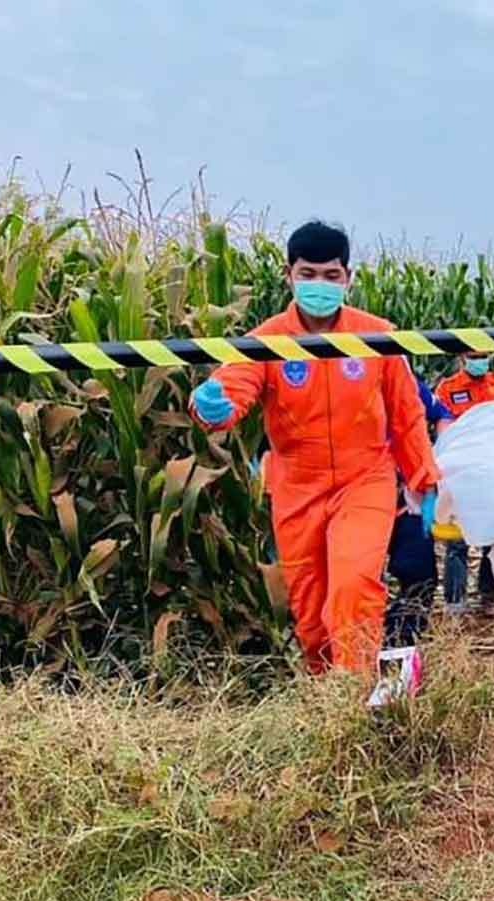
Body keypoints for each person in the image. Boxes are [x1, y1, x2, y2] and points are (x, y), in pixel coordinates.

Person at [189, 220, 440, 674]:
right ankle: (323, 692)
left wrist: (425, 477)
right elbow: (234, 387)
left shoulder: (377, 336)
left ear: (347, 278)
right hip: (297, 485)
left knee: (354, 588)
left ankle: (353, 700)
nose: (319, 285)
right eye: (308, 274)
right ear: (289, 275)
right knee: (310, 614)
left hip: (364, 480)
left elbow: (407, 414)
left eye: (330, 275)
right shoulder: (267, 341)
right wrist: (212, 406)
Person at [434, 353, 494, 613]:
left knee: (492, 534)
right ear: (462, 357)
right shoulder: (448, 388)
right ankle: (455, 601)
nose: (479, 361)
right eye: (474, 356)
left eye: (484, 356)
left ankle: (488, 594)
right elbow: (443, 429)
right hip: (461, 470)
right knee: (457, 539)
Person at [384, 375, 454, 647]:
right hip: (351, 496)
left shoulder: (406, 383)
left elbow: (441, 414)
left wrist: (441, 454)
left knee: (419, 576)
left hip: (406, 498)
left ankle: (400, 645)